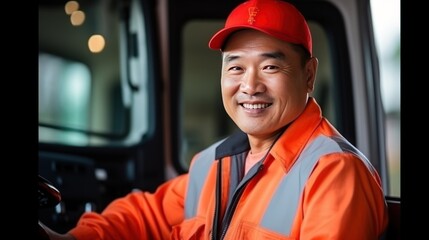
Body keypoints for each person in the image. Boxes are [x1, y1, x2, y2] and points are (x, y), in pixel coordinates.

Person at [40, 0, 389, 239]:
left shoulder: (333, 173)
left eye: (270, 66)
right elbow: (145, 215)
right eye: (235, 67)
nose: (249, 85)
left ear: (308, 76)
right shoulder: (213, 164)